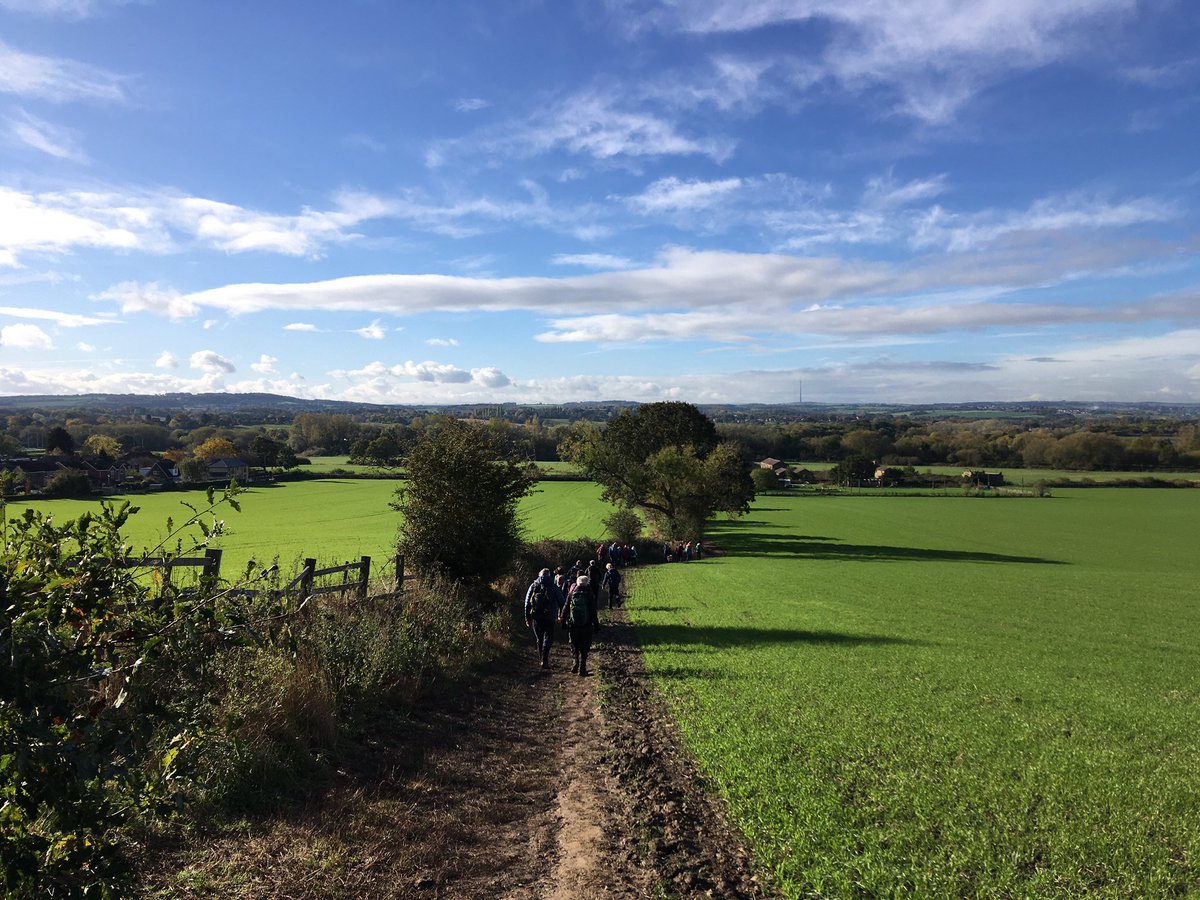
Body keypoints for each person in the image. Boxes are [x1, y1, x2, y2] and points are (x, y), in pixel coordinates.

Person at [524, 568, 565, 669]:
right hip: (550, 616)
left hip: (536, 616)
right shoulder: (553, 586)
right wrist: (561, 615)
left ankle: (540, 658)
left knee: (539, 638)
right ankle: (544, 659)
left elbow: (527, 603)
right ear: (549, 575)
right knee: (548, 637)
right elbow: (561, 601)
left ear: (539, 575)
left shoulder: (533, 586)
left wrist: (527, 618)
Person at [562, 575, 594, 676]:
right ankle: (582, 668)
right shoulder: (589, 594)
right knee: (585, 646)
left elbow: (566, 608)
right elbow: (593, 611)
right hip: (586, 625)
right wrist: (596, 624)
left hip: (573, 624)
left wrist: (563, 620)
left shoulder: (572, 593)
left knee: (574, 644)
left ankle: (575, 661)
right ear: (586, 583)